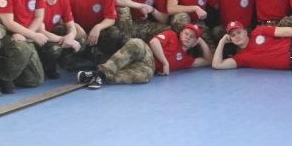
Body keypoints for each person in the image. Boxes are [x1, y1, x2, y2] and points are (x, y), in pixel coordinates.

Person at [78, 23, 212, 89]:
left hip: (148, 67)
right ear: (181, 33)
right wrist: (165, 63)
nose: (188, 37)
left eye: (192, 37)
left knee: (144, 76)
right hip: (145, 52)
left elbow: (208, 60)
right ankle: (101, 74)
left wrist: (200, 40)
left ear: (194, 42)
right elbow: (154, 43)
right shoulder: (171, 35)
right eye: (186, 34)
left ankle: (97, 76)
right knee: (136, 43)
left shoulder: (186, 60)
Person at [36, 0, 84, 77]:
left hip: (51, 35)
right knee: (55, 49)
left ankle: (63, 62)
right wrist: (65, 40)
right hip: (36, 38)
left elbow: (71, 26)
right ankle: (44, 65)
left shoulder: (63, 0)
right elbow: (41, 32)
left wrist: (70, 37)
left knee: (80, 41)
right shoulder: (39, 1)